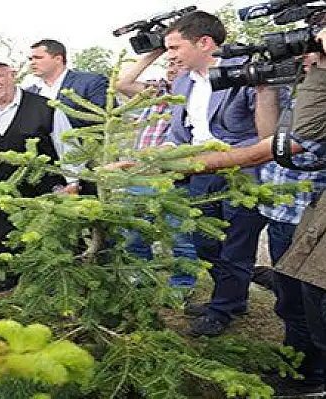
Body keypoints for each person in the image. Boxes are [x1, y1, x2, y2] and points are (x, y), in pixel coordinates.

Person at [161, 11, 287, 337]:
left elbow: (266, 134)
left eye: (175, 48)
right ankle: (232, 296)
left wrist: (261, 88)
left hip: (243, 173)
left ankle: (222, 309)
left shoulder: (247, 71)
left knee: (236, 246)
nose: (170, 56)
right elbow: (179, 132)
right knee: (202, 242)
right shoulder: (182, 81)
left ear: (204, 43)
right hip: (200, 173)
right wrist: (166, 151)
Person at [0, 59, 80, 292]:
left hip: (42, 185)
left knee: (47, 232)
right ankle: (9, 274)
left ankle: (54, 277)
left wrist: (73, 181)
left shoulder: (45, 107)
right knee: (2, 232)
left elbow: (67, 144)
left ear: (12, 75)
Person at [115, 50, 198, 286]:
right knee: (134, 233)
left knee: (180, 236)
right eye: (169, 63)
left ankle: (182, 285)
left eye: (178, 62)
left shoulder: (198, 93)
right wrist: (156, 51)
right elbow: (122, 83)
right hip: (140, 177)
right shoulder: (157, 92)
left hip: (174, 178)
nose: (172, 68)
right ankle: (141, 277)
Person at [26, 39, 109, 128]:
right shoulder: (30, 92)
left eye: (38, 58)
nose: (32, 63)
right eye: (30, 59)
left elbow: (105, 119)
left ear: (58, 59)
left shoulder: (91, 82)